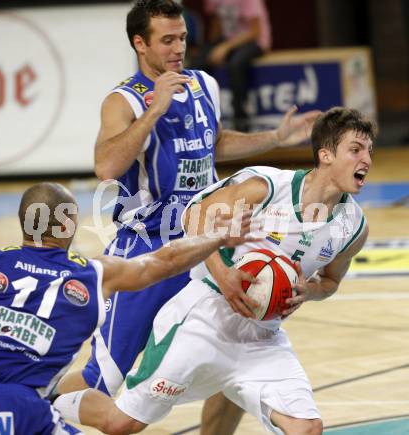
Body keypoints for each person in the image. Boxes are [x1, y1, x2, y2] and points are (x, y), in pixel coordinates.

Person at [56, 0, 320, 402]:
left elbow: (213, 144)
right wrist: (155, 111)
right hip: (149, 247)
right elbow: (105, 165)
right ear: (139, 44)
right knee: (103, 379)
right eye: (166, 40)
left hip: (207, 242)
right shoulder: (123, 100)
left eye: (182, 37)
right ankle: (30, 405)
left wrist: (276, 138)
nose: (178, 47)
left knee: (239, 348)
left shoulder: (203, 84)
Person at [54, 107, 376, 435]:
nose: (366, 159)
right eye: (355, 150)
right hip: (202, 319)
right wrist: (223, 274)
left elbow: (331, 280)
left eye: (369, 151)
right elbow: (193, 217)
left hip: (262, 337)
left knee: (306, 428)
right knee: (123, 423)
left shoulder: (353, 227)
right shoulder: (265, 187)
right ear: (325, 154)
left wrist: (310, 291)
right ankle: (50, 404)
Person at [0, 181, 254, 434]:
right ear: (69, 224)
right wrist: (218, 236)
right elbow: (164, 262)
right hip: (24, 410)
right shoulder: (93, 274)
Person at [190, 0, 272, 131]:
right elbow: (217, 23)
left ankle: (241, 118)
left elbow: (255, 32)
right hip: (227, 39)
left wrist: (225, 47)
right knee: (196, 64)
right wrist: (210, 47)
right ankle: (197, 114)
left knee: (236, 64)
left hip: (254, 41)